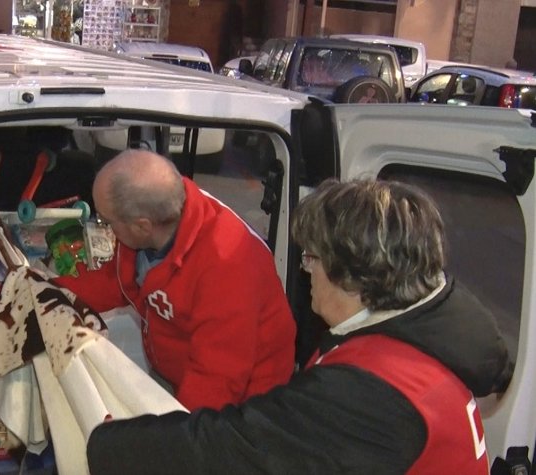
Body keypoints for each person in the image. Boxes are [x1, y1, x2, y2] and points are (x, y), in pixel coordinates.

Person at [86, 178, 513, 474]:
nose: (306, 272)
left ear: (354, 275)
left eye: (312, 259)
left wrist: (100, 442)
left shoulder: (373, 393)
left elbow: (235, 452)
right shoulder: (421, 331)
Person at [55, 149, 296, 411]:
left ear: (142, 226)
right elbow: (117, 280)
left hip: (243, 407)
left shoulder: (228, 267)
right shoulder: (160, 216)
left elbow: (215, 382)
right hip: (181, 372)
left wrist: (173, 440)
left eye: (107, 221)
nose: (105, 228)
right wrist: (50, 290)